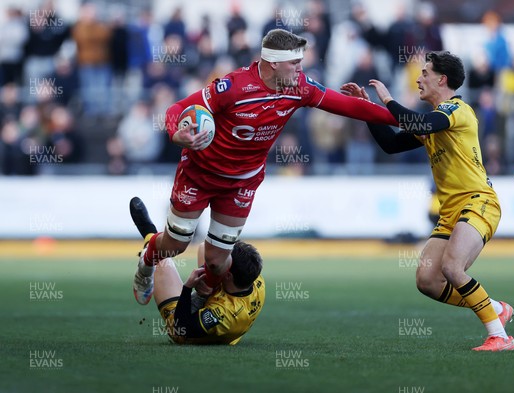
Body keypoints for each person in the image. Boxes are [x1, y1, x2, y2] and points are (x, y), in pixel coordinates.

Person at [132, 28, 398, 306]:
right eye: (294, 63)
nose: (300, 68)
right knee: (175, 245)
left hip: (242, 182)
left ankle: (198, 304)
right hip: (200, 174)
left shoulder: (300, 87)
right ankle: (145, 266)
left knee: (216, 260)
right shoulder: (233, 87)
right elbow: (177, 108)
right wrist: (176, 133)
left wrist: (409, 120)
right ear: (273, 63)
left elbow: (350, 107)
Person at [341, 51, 514, 351]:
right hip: (451, 212)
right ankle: (494, 308)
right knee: (427, 280)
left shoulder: (457, 110)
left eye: (425, 73)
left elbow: (420, 124)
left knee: (452, 267)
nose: (419, 78)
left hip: (478, 202)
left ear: (441, 79)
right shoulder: (434, 120)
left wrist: (386, 99)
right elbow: (391, 144)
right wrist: (366, 107)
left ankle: (500, 336)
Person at [130, 197, 265, 345]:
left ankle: (149, 239)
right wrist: (206, 277)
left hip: (185, 328)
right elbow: (209, 253)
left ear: (228, 274)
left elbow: (183, 326)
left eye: (227, 260)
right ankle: (206, 286)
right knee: (209, 252)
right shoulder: (256, 280)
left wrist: (189, 288)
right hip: (222, 298)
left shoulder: (222, 316)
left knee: (162, 260)